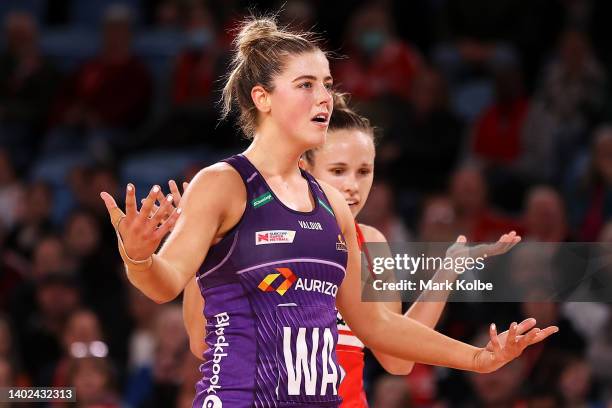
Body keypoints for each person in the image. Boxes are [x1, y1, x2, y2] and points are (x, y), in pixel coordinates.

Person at [100, 16, 558, 408]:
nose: (325, 97)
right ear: (263, 98)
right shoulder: (223, 184)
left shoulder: (332, 207)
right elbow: (163, 284)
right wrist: (138, 256)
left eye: (327, 84)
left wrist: (478, 358)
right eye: (306, 85)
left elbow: (377, 325)